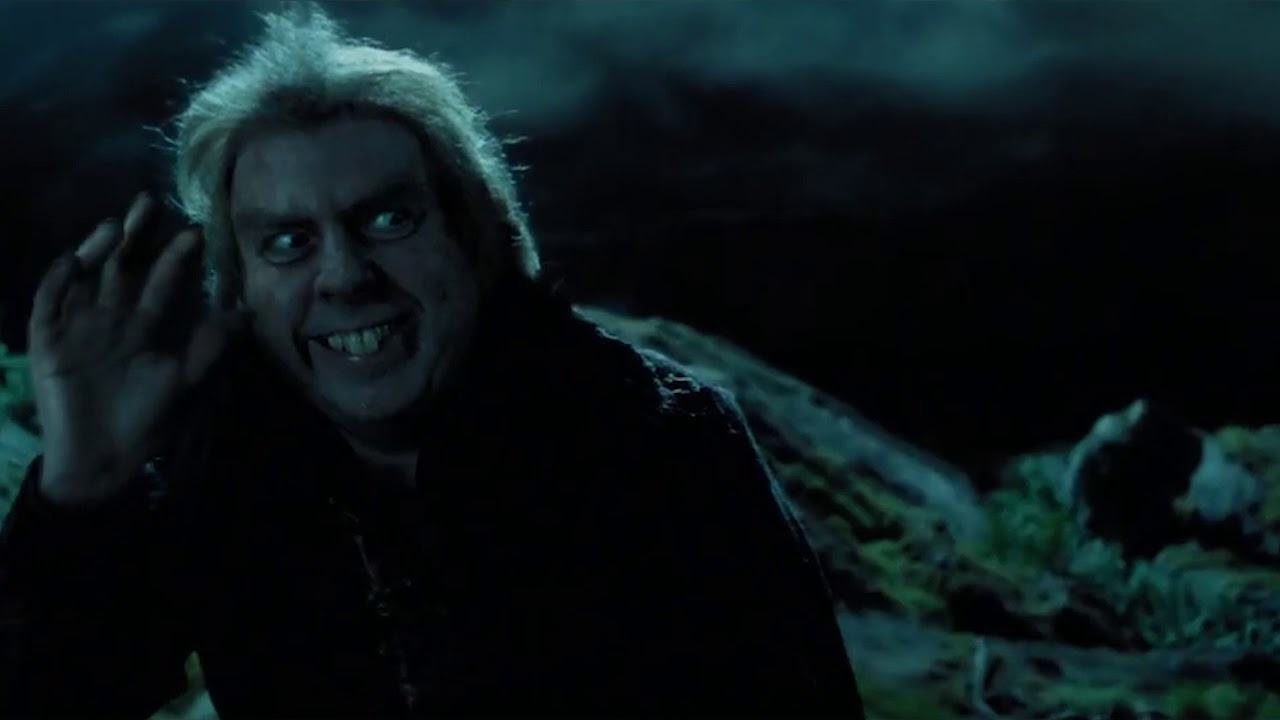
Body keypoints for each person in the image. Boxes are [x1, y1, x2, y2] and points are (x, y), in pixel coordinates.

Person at [0, 6, 864, 718]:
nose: (344, 276)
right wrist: (81, 495)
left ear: (475, 233)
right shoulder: (226, 468)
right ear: (243, 289)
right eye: (288, 241)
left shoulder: (662, 445)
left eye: (388, 220)